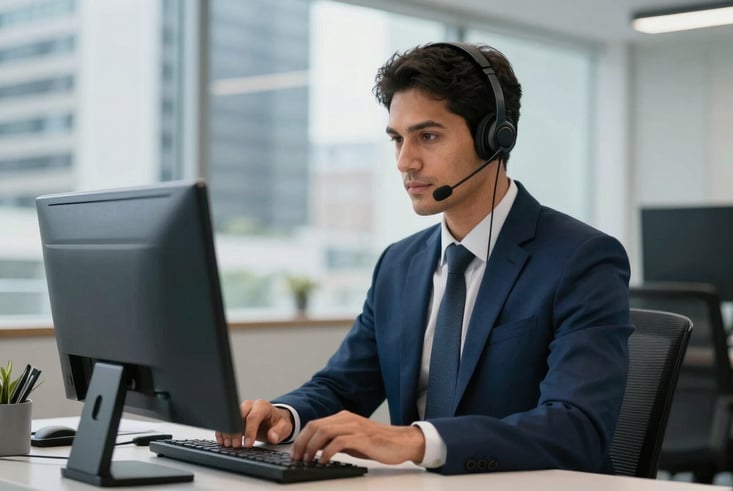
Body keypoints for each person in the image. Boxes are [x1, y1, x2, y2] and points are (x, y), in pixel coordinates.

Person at [217, 42, 632, 475]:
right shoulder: (399, 264)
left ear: (495, 136)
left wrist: (417, 441)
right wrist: (286, 416)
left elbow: (577, 428)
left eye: (428, 136)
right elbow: (343, 384)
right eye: (397, 139)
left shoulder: (581, 260)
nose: (404, 161)